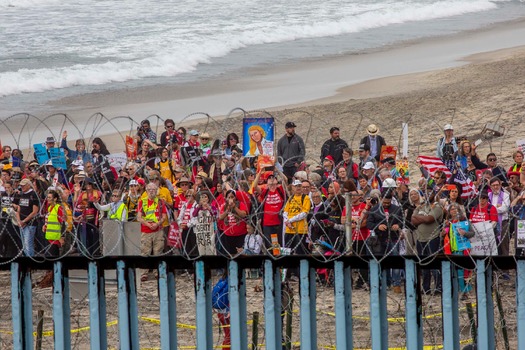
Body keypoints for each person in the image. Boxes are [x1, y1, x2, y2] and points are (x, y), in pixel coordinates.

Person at [366, 189, 404, 292]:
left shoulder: (397, 209)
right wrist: (378, 226)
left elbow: (402, 221)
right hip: (380, 239)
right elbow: (369, 224)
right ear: (381, 199)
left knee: (395, 260)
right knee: (382, 261)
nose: (386, 204)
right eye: (384, 202)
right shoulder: (374, 209)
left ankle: (396, 283)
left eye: (388, 202)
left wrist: (398, 225)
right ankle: (385, 282)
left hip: (393, 237)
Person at [411, 185, 444, 294]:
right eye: (425, 193)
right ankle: (426, 288)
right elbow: (412, 220)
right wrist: (423, 219)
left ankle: (438, 287)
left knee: (434, 264)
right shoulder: (421, 206)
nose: (428, 195)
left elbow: (430, 219)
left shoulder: (437, 206)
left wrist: (420, 218)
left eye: (430, 193)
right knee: (424, 265)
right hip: (421, 239)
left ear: (434, 194)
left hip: (433, 238)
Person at [442, 203, 474, 297]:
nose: (454, 211)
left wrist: (464, 233)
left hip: (461, 249)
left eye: (456, 209)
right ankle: (456, 289)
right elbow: (443, 235)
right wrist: (443, 233)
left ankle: (464, 290)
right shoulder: (448, 222)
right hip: (451, 249)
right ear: (449, 212)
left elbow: (472, 233)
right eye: (452, 209)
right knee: (453, 270)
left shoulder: (464, 221)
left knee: (461, 271)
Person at [137, 182, 168, 280]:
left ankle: (157, 272)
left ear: (157, 191)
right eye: (149, 190)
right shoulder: (142, 202)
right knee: (144, 251)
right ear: (146, 191)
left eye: (153, 189)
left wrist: (157, 224)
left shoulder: (160, 202)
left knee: (157, 251)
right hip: (146, 230)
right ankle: (143, 273)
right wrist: (148, 224)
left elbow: (164, 216)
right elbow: (139, 217)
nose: (151, 192)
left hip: (158, 230)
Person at [283, 180, 311, 274]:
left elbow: (304, 213)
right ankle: (288, 273)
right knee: (287, 252)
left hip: (300, 230)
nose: (298, 188)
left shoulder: (305, 198)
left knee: (300, 253)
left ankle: (302, 273)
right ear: (292, 188)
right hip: (289, 229)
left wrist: (290, 220)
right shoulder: (291, 198)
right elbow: (285, 212)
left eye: (299, 186)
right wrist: (287, 221)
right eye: (296, 186)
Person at [218, 190, 248, 256]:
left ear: (235, 198)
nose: (231, 199)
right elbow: (220, 217)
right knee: (230, 254)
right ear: (226, 198)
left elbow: (243, 214)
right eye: (229, 197)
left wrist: (235, 207)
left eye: (232, 197)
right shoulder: (224, 206)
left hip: (240, 235)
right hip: (228, 235)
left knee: (240, 254)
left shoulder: (240, 204)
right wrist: (227, 211)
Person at [14, 178, 39, 257]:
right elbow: (18, 208)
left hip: (30, 223)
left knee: (28, 244)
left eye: (24, 186)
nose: (22, 187)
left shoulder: (33, 194)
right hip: (21, 222)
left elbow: (35, 211)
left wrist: (24, 221)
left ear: (28, 185)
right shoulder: (20, 194)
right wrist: (18, 220)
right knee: (24, 245)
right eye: (21, 186)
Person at [488, 177, 511, 256]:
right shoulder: (488, 196)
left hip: (503, 222)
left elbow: (504, 208)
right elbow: (486, 209)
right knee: (492, 244)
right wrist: (496, 206)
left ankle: (505, 266)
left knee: (504, 244)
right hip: (491, 223)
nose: (495, 187)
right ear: (490, 186)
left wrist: (492, 208)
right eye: (493, 185)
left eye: (497, 185)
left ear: (500, 185)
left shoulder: (505, 195)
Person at [212, 272, 230, 349]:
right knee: (231, 336)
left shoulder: (222, 280)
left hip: (220, 312)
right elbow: (231, 297)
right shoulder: (232, 282)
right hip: (228, 312)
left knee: (227, 334)